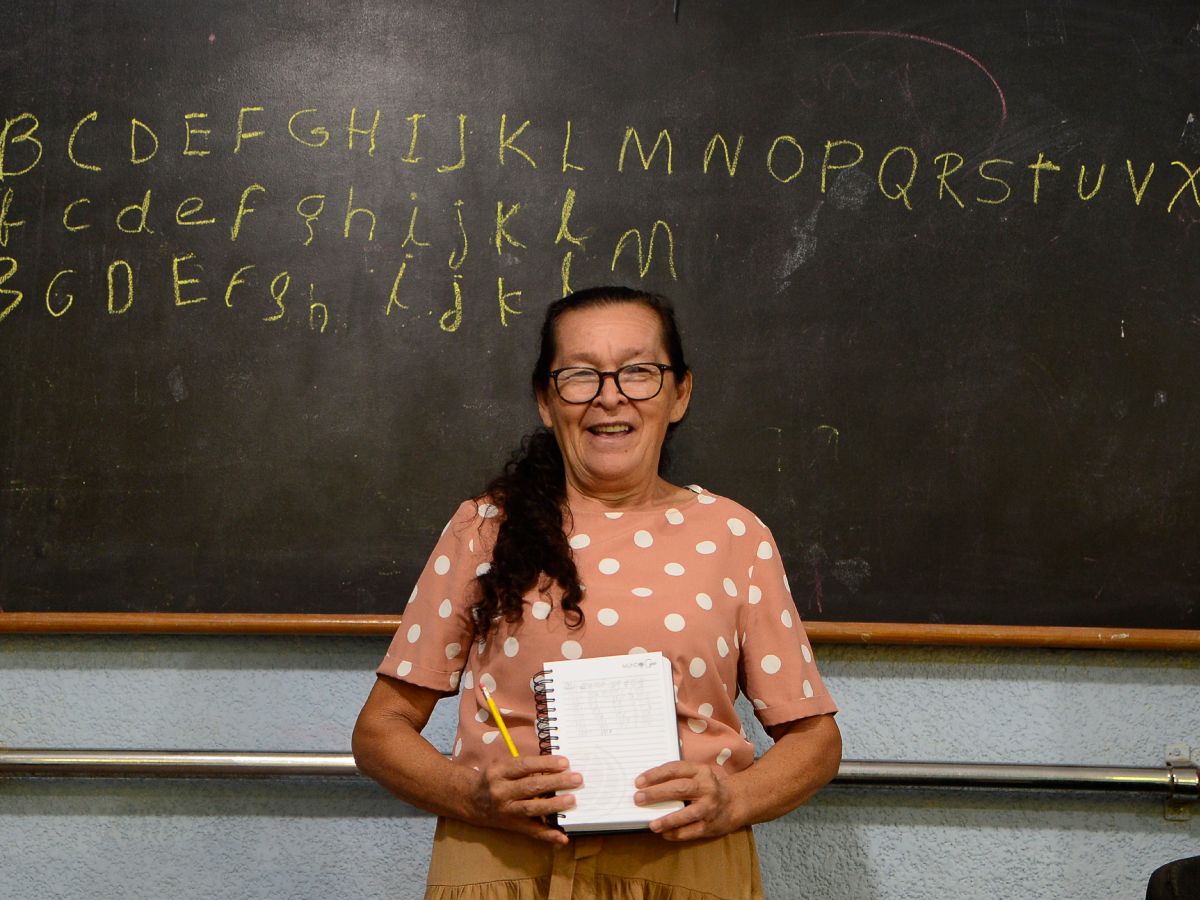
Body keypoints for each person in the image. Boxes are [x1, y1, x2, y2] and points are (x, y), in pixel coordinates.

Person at [353, 285, 841, 899]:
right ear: (545, 399)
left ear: (679, 392)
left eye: (639, 372)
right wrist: (469, 793)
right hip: (502, 866)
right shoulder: (484, 528)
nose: (610, 396)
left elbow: (815, 740)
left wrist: (735, 798)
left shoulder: (735, 535)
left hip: (681, 872)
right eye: (580, 376)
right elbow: (380, 729)